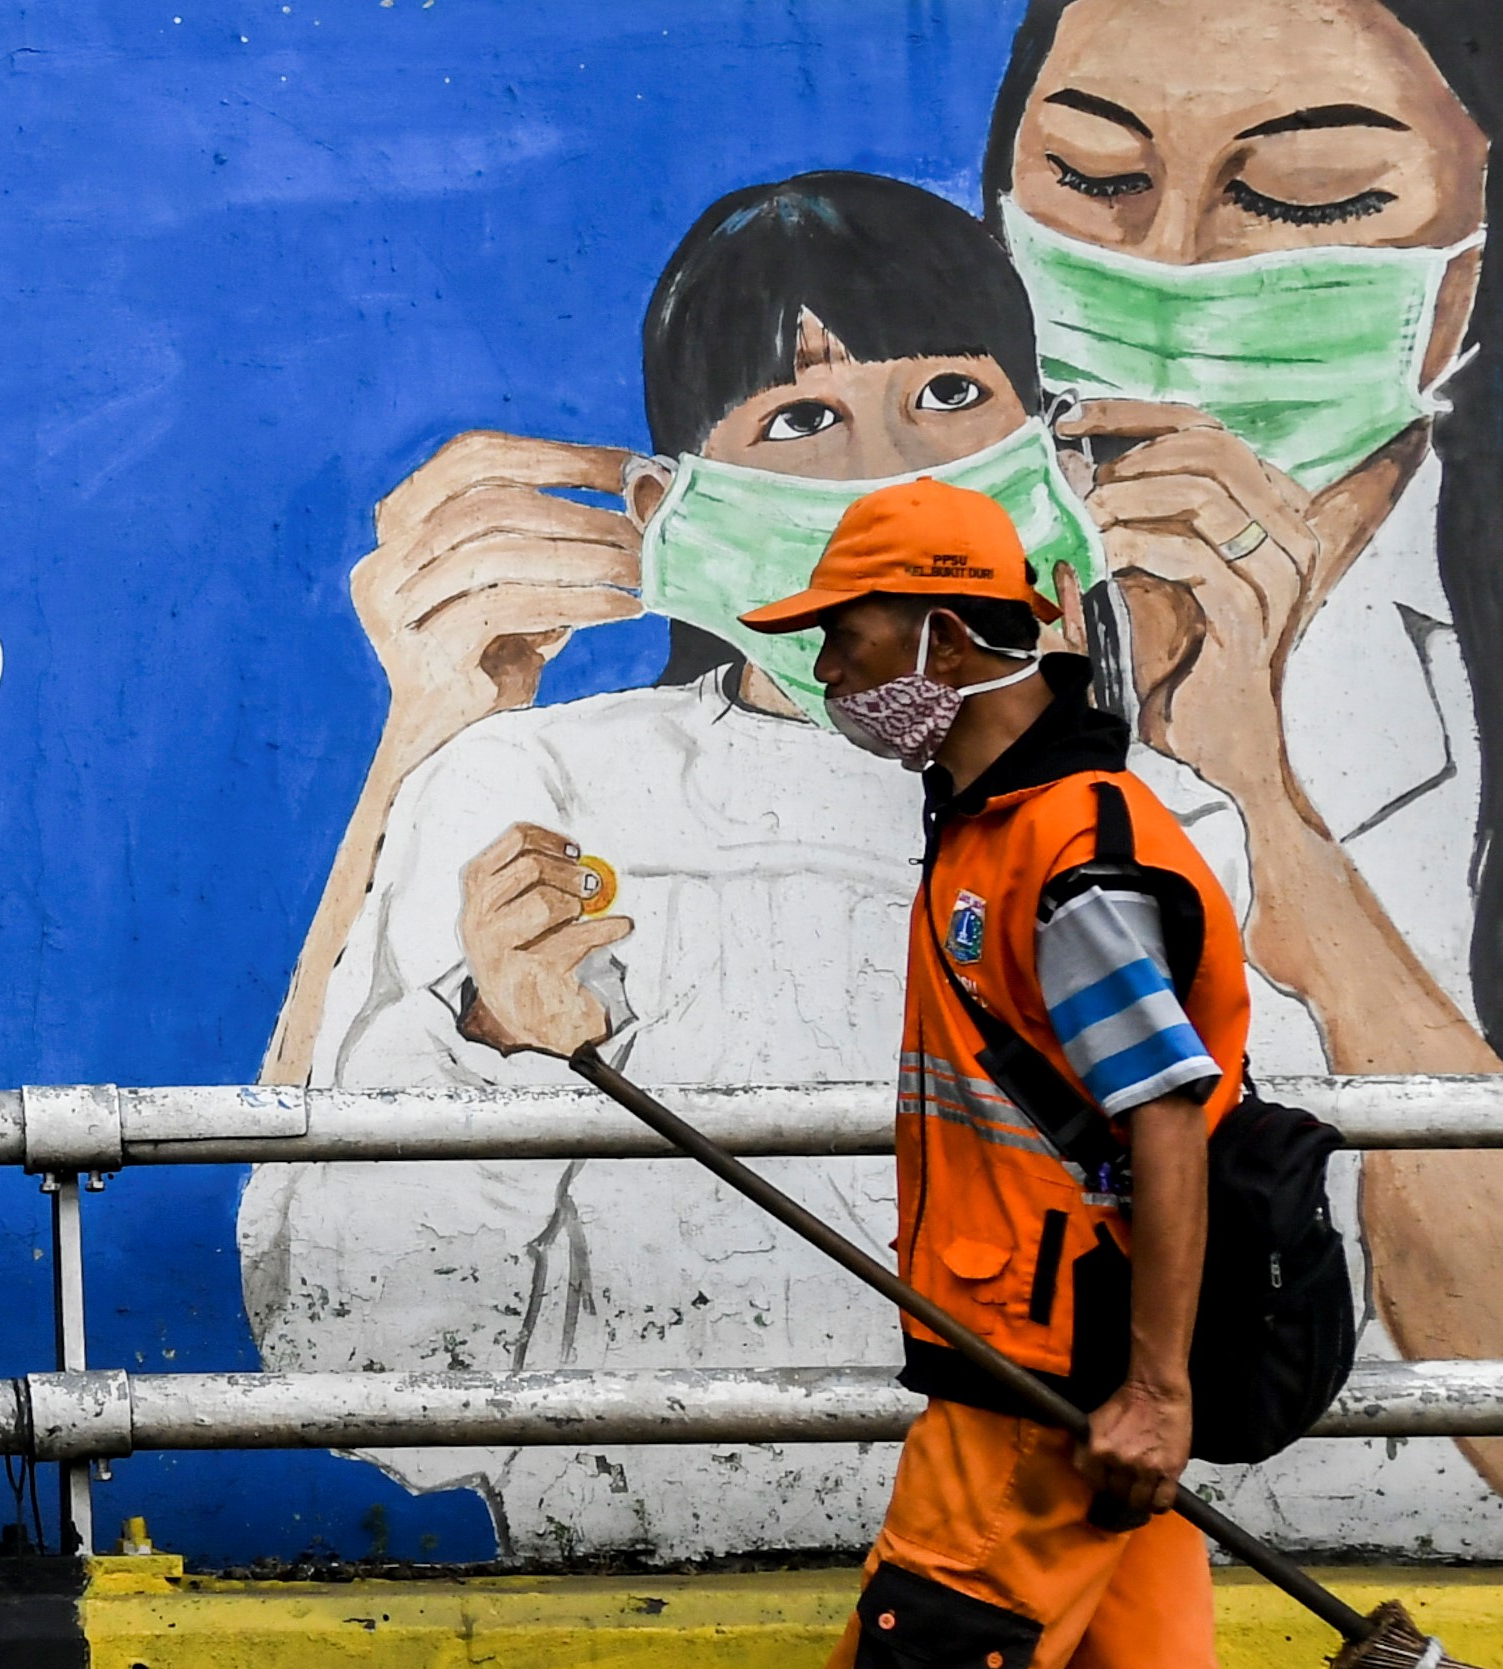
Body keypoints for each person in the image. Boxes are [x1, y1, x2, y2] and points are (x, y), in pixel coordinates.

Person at [243, 174, 1303, 1567]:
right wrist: (493, 1044)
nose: (885, 468)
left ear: (1050, 459)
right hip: (635, 1591)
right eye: (801, 417)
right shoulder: (535, 789)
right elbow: (356, 1371)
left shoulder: (1156, 817)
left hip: (1066, 1526)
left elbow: (1251, 1204)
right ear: (674, 506)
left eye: (944, 398)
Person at [558, 478, 1324, 1669]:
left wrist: (1149, 1393)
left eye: (853, 631)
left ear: (954, 633)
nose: (833, 667)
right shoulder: (989, 829)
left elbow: (1168, 1120)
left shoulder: (1069, 852)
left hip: (1043, 1398)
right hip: (1063, 1375)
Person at [986, 0, 1503, 1503]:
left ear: (1465, 280)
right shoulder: (890, 637)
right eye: (1091, 180)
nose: (1174, 269)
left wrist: (1262, 801)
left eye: (1306, 201)